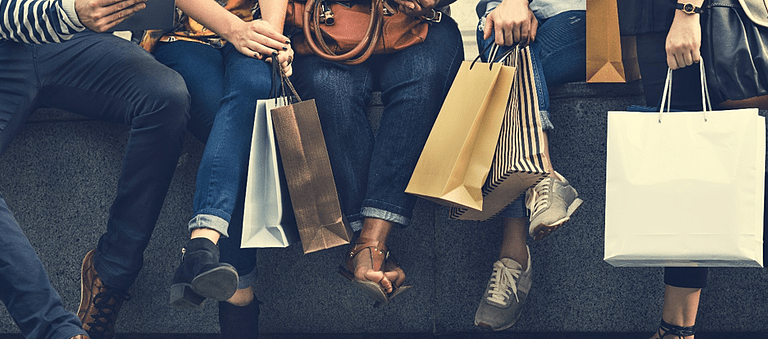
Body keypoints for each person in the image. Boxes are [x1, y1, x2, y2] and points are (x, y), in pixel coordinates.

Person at [0, 0, 191, 338]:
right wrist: (71, 12)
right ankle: (59, 332)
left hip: (71, 39)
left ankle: (112, 272)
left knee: (166, 95)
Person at [289, 0, 464, 304]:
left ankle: (368, 243)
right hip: (325, 25)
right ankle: (371, 247)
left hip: (417, 24)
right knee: (329, 91)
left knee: (423, 82)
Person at [138, 0, 293, 337]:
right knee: (238, 131)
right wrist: (235, 30)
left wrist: (273, 39)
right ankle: (239, 298)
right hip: (182, 36)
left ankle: (202, 246)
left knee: (253, 88)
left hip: (255, 28)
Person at [618, 1, 767, 338]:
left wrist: (687, 11)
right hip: (665, 18)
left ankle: (677, 330)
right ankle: (676, 329)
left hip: (688, 18)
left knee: (690, 175)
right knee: (687, 176)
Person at [471, 0, 585, 331]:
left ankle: (513, 254)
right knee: (503, 35)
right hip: (508, 19)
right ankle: (545, 180)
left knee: (506, 75)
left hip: (587, 17)